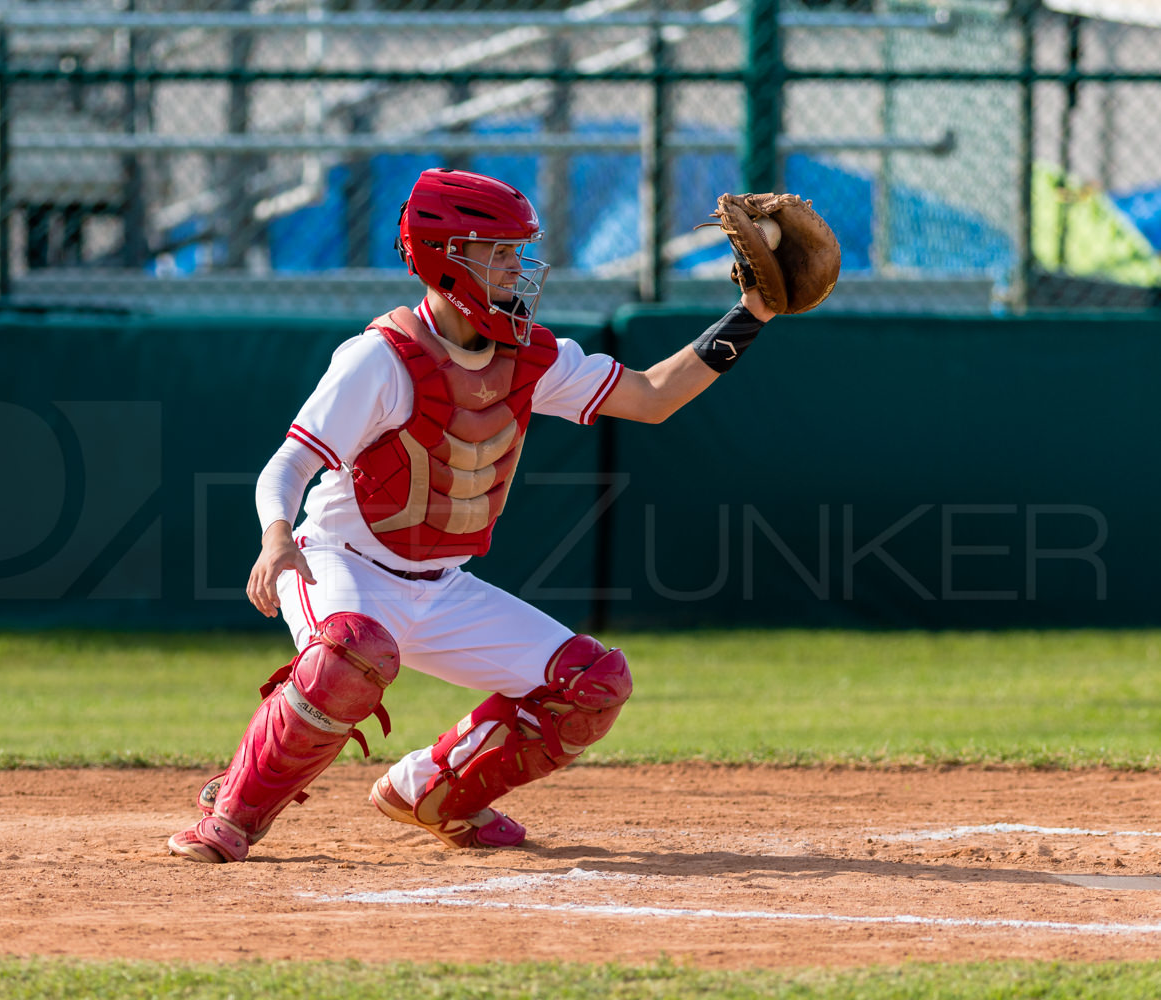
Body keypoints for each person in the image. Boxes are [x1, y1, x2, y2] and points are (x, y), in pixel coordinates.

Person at [168, 167, 775, 863]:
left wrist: (751, 314)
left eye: (518, 252)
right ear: (446, 259)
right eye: (500, 253)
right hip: (340, 564)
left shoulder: (526, 354)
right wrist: (276, 539)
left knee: (593, 685)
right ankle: (234, 814)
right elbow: (290, 464)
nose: (518, 268)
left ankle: (432, 792)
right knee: (350, 655)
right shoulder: (382, 358)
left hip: (439, 583)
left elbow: (652, 396)